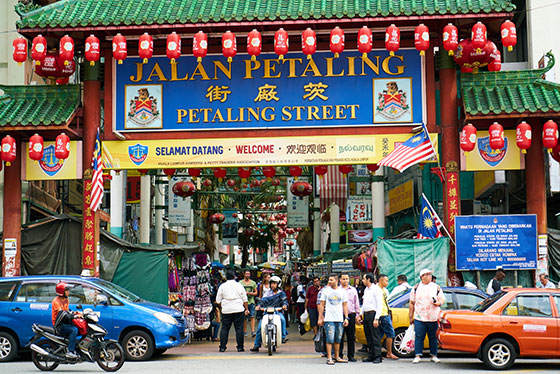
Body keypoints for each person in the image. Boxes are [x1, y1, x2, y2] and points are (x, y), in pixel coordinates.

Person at [409, 269, 445, 364]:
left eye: (430, 274)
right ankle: (418, 355)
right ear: (422, 277)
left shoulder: (436, 287)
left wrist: (438, 303)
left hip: (433, 317)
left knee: (433, 337)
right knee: (419, 336)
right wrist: (410, 315)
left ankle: (433, 355)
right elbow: (412, 302)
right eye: (427, 275)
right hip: (419, 316)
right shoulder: (416, 287)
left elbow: (442, 298)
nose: (429, 276)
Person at [250, 276, 289, 351]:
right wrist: (259, 305)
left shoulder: (281, 293)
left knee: (282, 319)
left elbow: (285, 301)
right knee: (260, 327)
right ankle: (256, 345)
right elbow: (262, 300)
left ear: (278, 284)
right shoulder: (267, 293)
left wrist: (284, 305)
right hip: (266, 312)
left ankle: (283, 336)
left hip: (277, 312)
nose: (272, 285)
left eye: (274, 283)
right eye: (271, 283)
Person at [318, 274, 349, 365]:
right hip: (329, 318)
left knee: (338, 339)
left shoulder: (342, 292)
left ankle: (337, 356)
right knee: (329, 338)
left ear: (336, 280)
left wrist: (346, 317)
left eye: (331, 280)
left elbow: (345, 304)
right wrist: (321, 317)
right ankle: (329, 357)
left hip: (339, 318)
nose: (329, 282)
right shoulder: (325, 291)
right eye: (329, 280)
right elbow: (322, 304)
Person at [216, 270, 249, 352]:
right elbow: (245, 299)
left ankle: (222, 347)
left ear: (226, 277)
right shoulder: (239, 285)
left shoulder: (222, 286)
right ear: (234, 277)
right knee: (239, 328)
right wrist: (246, 308)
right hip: (238, 308)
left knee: (224, 328)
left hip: (226, 309)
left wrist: (222, 307)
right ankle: (240, 347)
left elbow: (218, 300)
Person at [357, 273, 383, 364]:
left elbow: (379, 304)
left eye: (364, 279)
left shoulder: (376, 290)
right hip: (366, 314)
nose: (363, 281)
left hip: (373, 314)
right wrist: (360, 314)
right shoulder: (366, 290)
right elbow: (365, 304)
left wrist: (376, 318)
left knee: (375, 336)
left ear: (368, 279)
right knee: (368, 336)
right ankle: (371, 355)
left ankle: (378, 356)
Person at [51, 282, 79, 359]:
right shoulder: (56, 301)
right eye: (66, 291)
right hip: (59, 324)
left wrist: (76, 313)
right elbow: (63, 314)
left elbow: (67, 311)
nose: (68, 292)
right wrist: (73, 316)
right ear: (61, 292)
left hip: (65, 322)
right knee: (74, 330)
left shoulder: (66, 300)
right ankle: (70, 351)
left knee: (79, 327)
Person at [377, 274, 398, 360]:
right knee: (390, 333)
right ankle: (389, 352)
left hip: (386, 313)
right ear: (381, 280)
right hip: (381, 314)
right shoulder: (376, 290)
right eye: (386, 281)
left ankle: (379, 352)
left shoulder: (385, 290)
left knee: (380, 334)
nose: (387, 282)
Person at [339, 274, 359, 362]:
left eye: (347, 279)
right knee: (340, 336)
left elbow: (356, 302)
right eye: (343, 279)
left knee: (351, 336)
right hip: (339, 315)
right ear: (340, 280)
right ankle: (339, 354)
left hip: (351, 314)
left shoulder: (353, 290)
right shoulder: (337, 290)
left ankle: (351, 355)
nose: (345, 281)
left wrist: (357, 314)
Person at [240, 270, 258, 337]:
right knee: (244, 318)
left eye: (248, 274)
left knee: (252, 316)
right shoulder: (240, 283)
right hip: (243, 303)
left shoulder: (253, 283)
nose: (247, 275)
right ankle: (245, 331)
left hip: (251, 302)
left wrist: (250, 293)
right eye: (246, 274)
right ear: (244, 274)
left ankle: (253, 331)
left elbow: (256, 292)